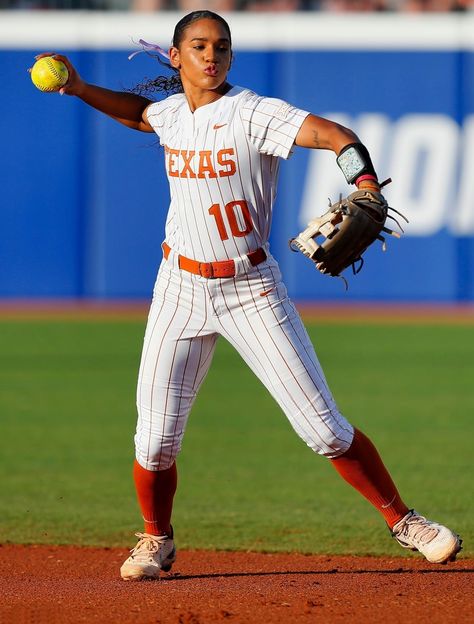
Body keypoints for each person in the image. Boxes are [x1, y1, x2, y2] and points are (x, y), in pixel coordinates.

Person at [36, 10, 461, 580]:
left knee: (324, 430)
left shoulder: (254, 113)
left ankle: (403, 520)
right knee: (155, 440)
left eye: (221, 47)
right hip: (179, 289)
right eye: (198, 46)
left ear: (231, 57)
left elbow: (337, 136)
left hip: (250, 288)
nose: (211, 56)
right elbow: (142, 115)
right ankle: (155, 539)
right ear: (175, 56)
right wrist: (80, 87)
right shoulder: (172, 116)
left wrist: (362, 180)